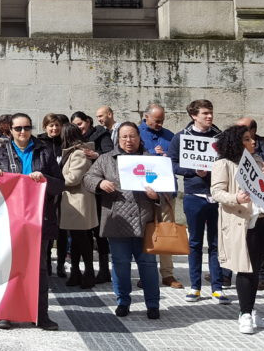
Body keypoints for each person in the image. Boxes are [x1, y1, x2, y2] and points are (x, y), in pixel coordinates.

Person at [0, 113, 62, 331]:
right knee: (7, 268)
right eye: (18, 128)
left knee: (38, 270)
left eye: (27, 128)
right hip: (7, 221)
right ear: (9, 130)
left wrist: (45, 180)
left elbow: (60, 186)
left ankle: (40, 314)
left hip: (38, 221)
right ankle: (5, 314)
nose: (22, 132)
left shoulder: (44, 152)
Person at [82, 122, 166, 320]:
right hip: (116, 220)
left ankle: (152, 304)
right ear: (118, 139)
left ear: (139, 137)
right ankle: (123, 301)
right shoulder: (106, 159)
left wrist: (157, 196)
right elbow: (88, 178)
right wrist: (100, 183)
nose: (129, 140)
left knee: (148, 265)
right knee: (120, 264)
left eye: (133, 136)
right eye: (124, 137)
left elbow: (167, 189)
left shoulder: (152, 160)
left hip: (144, 221)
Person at [210, 125, 264, 334]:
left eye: (252, 139)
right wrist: (235, 198)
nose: (253, 142)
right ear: (236, 142)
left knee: (256, 268)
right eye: (247, 139)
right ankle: (244, 314)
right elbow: (216, 192)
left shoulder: (259, 161)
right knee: (245, 269)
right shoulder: (223, 164)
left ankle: (250, 310)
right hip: (241, 223)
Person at [168, 99, 227, 304]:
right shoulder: (181, 137)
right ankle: (195, 287)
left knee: (216, 243)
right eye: (204, 114)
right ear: (194, 116)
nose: (209, 117)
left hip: (217, 196)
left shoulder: (219, 138)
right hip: (194, 196)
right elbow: (172, 164)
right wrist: (194, 171)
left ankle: (217, 287)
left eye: (211, 113)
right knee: (194, 243)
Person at [139, 103, 182, 288]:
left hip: (165, 192)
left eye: (162, 121)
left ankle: (167, 274)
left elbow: (178, 160)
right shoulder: (136, 134)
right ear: (146, 117)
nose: (160, 124)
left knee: (166, 232)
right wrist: (151, 155)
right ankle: (146, 274)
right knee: (145, 234)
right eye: (157, 121)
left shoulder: (170, 136)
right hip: (144, 193)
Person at [236, 116, 264, 290]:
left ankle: (260, 276)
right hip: (241, 206)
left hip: (262, 203)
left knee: (259, 244)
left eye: (243, 129)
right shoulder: (232, 150)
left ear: (253, 131)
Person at [72, 109, 112, 282]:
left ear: (88, 122)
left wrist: (96, 155)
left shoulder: (101, 135)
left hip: (99, 188)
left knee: (99, 231)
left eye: (80, 124)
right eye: (75, 126)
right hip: (83, 190)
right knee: (84, 231)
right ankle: (85, 269)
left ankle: (104, 270)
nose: (78, 128)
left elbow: (111, 156)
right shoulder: (75, 138)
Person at [58, 123, 98, 290]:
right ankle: (76, 272)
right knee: (76, 240)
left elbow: (73, 178)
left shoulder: (79, 154)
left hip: (78, 201)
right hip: (74, 201)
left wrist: (56, 178)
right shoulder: (75, 152)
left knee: (82, 240)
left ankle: (88, 273)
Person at [39, 113, 67, 278]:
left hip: (63, 190)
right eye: (51, 126)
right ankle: (47, 264)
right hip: (46, 193)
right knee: (47, 231)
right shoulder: (40, 143)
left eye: (57, 125)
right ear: (45, 127)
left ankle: (62, 264)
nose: (54, 128)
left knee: (62, 230)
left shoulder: (65, 143)